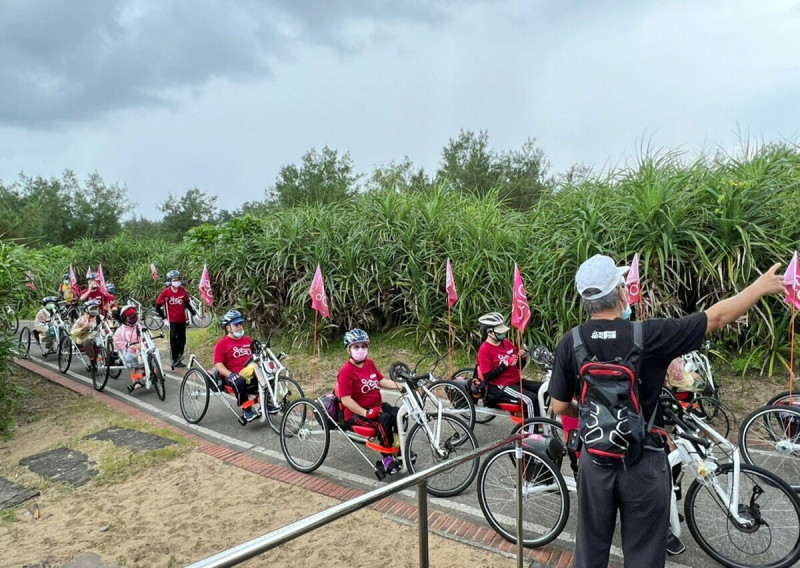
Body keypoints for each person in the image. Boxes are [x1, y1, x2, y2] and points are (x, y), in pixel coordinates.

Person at [548, 253, 783, 568]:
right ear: (619, 292)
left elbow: (559, 405)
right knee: (644, 553)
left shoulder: (571, 341)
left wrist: (595, 413)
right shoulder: (648, 335)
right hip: (643, 463)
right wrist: (759, 286)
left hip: (594, 462)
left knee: (590, 550)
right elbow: (715, 318)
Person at [336, 328, 403, 476]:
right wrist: (366, 412)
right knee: (384, 419)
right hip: (356, 414)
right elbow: (345, 400)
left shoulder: (369, 364)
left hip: (376, 407)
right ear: (349, 350)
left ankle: (399, 449)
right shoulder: (346, 371)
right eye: (356, 347)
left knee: (400, 414)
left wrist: (403, 386)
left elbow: (381, 381)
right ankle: (387, 458)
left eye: (363, 346)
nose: (361, 349)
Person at [474, 312, 541, 419]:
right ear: (490, 332)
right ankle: (531, 431)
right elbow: (487, 377)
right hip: (500, 385)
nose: (503, 335)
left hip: (515, 381)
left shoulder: (506, 343)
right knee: (530, 399)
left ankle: (539, 419)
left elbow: (518, 367)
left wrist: (522, 357)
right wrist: (504, 365)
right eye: (499, 332)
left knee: (545, 389)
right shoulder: (484, 350)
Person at [213, 310, 266, 422]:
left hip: (251, 371)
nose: (240, 327)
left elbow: (255, 356)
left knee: (268, 375)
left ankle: (267, 402)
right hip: (235, 375)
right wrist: (230, 374)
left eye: (241, 324)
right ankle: (247, 410)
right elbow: (218, 364)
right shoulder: (222, 344)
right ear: (228, 328)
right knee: (239, 381)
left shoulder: (247, 339)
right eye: (236, 325)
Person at [156, 269, 195, 368]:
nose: (177, 281)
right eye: (174, 279)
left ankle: (179, 357)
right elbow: (157, 306)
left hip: (182, 319)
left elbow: (186, 302)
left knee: (182, 339)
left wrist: (192, 311)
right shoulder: (166, 292)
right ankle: (174, 358)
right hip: (172, 320)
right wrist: (164, 318)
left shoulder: (182, 290)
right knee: (173, 338)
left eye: (178, 279)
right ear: (170, 281)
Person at [113, 305, 145, 392]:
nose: (134, 318)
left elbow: (148, 337)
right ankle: (136, 381)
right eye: (132, 317)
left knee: (149, 358)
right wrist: (129, 345)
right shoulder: (120, 330)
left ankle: (145, 374)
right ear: (125, 318)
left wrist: (142, 344)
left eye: (135, 316)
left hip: (141, 351)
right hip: (129, 352)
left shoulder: (140, 327)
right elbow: (116, 342)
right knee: (130, 360)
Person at [71, 299, 102, 371]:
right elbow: (73, 332)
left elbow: (109, 325)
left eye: (96, 308)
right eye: (92, 308)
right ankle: (93, 363)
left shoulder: (100, 317)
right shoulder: (81, 320)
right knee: (87, 341)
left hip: (98, 337)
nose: (95, 310)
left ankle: (112, 357)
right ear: (86, 310)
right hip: (84, 338)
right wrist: (83, 329)